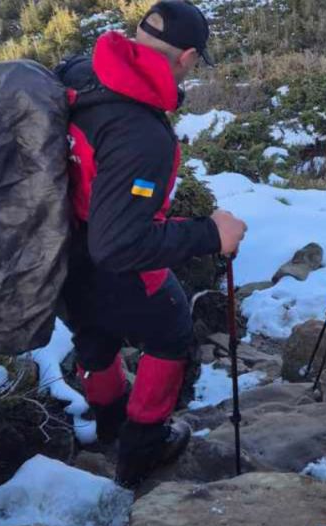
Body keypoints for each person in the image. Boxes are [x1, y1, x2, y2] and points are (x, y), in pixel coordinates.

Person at [57, 0, 247, 487]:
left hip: (58, 250)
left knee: (93, 333)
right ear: (187, 57)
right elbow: (119, 245)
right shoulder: (142, 133)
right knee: (171, 329)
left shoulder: (84, 73)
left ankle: (109, 424)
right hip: (105, 257)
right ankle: (143, 447)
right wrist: (211, 233)